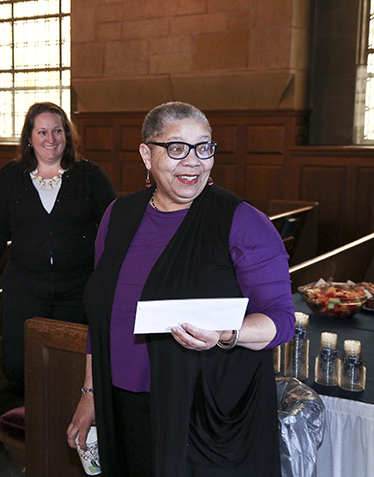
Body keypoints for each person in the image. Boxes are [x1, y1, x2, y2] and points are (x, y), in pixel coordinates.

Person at [66, 101, 295, 476]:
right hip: (122, 405)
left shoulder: (241, 221)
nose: (193, 162)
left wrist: (225, 332)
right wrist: (90, 395)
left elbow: (281, 320)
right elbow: (100, 317)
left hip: (206, 411)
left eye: (204, 148)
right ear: (146, 154)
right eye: (176, 149)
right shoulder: (118, 216)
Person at [0, 102, 116, 388]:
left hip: (76, 289)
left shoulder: (90, 175)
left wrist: (112, 281)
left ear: (68, 135)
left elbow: (113, 231)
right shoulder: (10, 176)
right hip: (25, 288)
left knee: (72, 366)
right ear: (29, 137)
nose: (50, 140)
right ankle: (34, 416)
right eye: (42, 132)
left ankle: (66, 422)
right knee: (18, 365)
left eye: (57, 131)